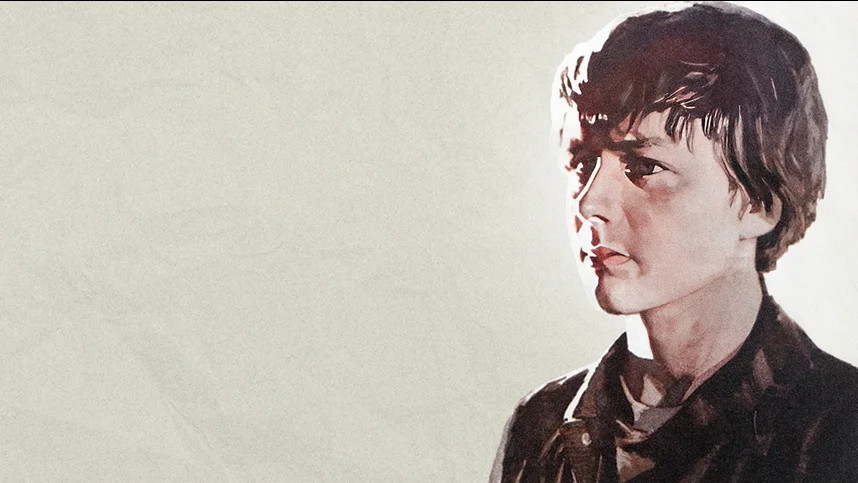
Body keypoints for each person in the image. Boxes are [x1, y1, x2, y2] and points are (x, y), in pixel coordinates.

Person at [489, 2, 858, 482]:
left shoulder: (838, 426)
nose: (589, 203)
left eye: (644, 167)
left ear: (759, 203)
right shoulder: (540, 426)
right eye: (582, 164)